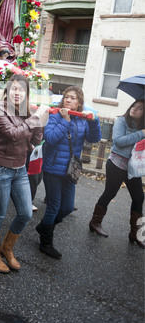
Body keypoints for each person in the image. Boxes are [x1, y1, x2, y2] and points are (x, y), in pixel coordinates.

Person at [0, 74, 49, 273]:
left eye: (21, 90)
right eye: (13, 89)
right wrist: (33, 119)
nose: (17, 93)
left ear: (26, 93)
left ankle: (7, 248)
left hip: (20, 168)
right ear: (7, 90)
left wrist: (39, 122)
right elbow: (13, 135)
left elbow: (35, 141)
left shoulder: (26, 112)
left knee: (25, 213)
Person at [36, 86, 101, 259]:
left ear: (79, 102)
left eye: (73, 98)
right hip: (53, 168)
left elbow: (94, 139)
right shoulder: (55, 115)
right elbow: (49, 138)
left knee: (67, 207)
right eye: (66, 97)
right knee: (54, 206)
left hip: (70, 170)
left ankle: (44, 226)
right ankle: (45, 242)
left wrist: (94, 121)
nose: (68, 100)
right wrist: (64, 120)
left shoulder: (82, 119)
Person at [89, 100, 145, 248]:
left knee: (139, 197)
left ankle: (136, 233)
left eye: (140, 108)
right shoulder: (121, 121)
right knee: (110, 193)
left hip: (133, 166)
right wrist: (141, 134)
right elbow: (119, 141)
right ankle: (95, 222)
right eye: (134, 105)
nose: (135, 109)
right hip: (116, 163)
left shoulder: (142, 127)